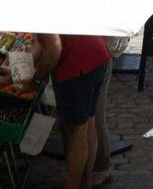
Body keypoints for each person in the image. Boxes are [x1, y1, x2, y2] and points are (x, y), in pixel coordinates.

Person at [31, 34, 111, 189]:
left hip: (77, 66)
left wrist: (35, 79)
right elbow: (39, 46)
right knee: (89, 123)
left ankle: (73, 185)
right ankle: (84, 182)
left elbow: (53, 48)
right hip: (98, 55)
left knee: (77, 131)